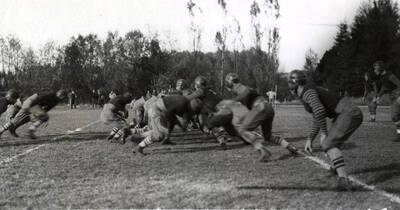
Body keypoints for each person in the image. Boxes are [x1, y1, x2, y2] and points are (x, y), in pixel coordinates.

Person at [288, 69, 363, 190]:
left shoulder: (307, 92)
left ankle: (344, 180)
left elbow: (319, 111)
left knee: (328, 143)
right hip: (346, 112)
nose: (289, 86)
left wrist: (323, 133)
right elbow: (317, 116)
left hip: (348, 112)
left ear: (295, 83)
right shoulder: (308, 91)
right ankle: (336, 168)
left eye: (290, 83)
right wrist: (310, 138)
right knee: (330, 142)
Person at [224, 73, 299, 161]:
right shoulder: (241, 87)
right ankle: (289, 146)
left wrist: (232, 101)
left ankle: (263, 152)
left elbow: (246, 91)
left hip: (260, 107)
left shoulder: (238, 87)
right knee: (267, 136)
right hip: (268, 107)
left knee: (242, 130)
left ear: (229, 83)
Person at [127, 94, 196, 154]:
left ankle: (137, 137)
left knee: (161, 132)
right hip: (156, 111)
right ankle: (139, 145)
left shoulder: (182, 101)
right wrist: (180, 125)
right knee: (159, 135)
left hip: (158, 111)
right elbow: (171, 116)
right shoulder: (182, 105)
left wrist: (179, 125)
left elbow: (172, 116)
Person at [0, 90, 68, 139]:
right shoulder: (51, 94)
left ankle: (2, 130)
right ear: (61, 95)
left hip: (31, 105)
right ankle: (31, 130)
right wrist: (31, 108)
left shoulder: (56, 100)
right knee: (43, 117)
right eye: (63, 97)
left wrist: (39, 117)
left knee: (20, 120)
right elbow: (37, 95)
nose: (63, 99)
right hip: (30, 103)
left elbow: (47, 109)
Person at [372, 60, 400, 136]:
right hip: (393, 97)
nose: (374, 71)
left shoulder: (390, 75)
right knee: (395, 117)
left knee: (395, 116)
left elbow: (399, 84)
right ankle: (399, 133)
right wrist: (378, 97)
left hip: (397, 96)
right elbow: (384, 87)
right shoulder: (382, 77)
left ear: (380, 68)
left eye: (375, 68)